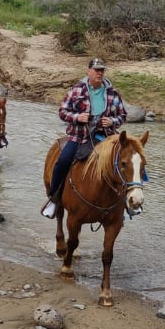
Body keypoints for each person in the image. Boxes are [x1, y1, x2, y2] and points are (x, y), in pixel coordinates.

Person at [41, 57, 127, 218]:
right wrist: (78, 117)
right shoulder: (77, 90)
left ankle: (127, 203)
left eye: (102, 70)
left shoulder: (112, 92)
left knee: (128, 159)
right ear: (89, 72)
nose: (99, 73)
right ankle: (54, 199)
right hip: (80, 136)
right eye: (96, 70)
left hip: (106, 136)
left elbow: (123, 115)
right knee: (63, 161)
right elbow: (62, 112)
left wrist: (112, 121)